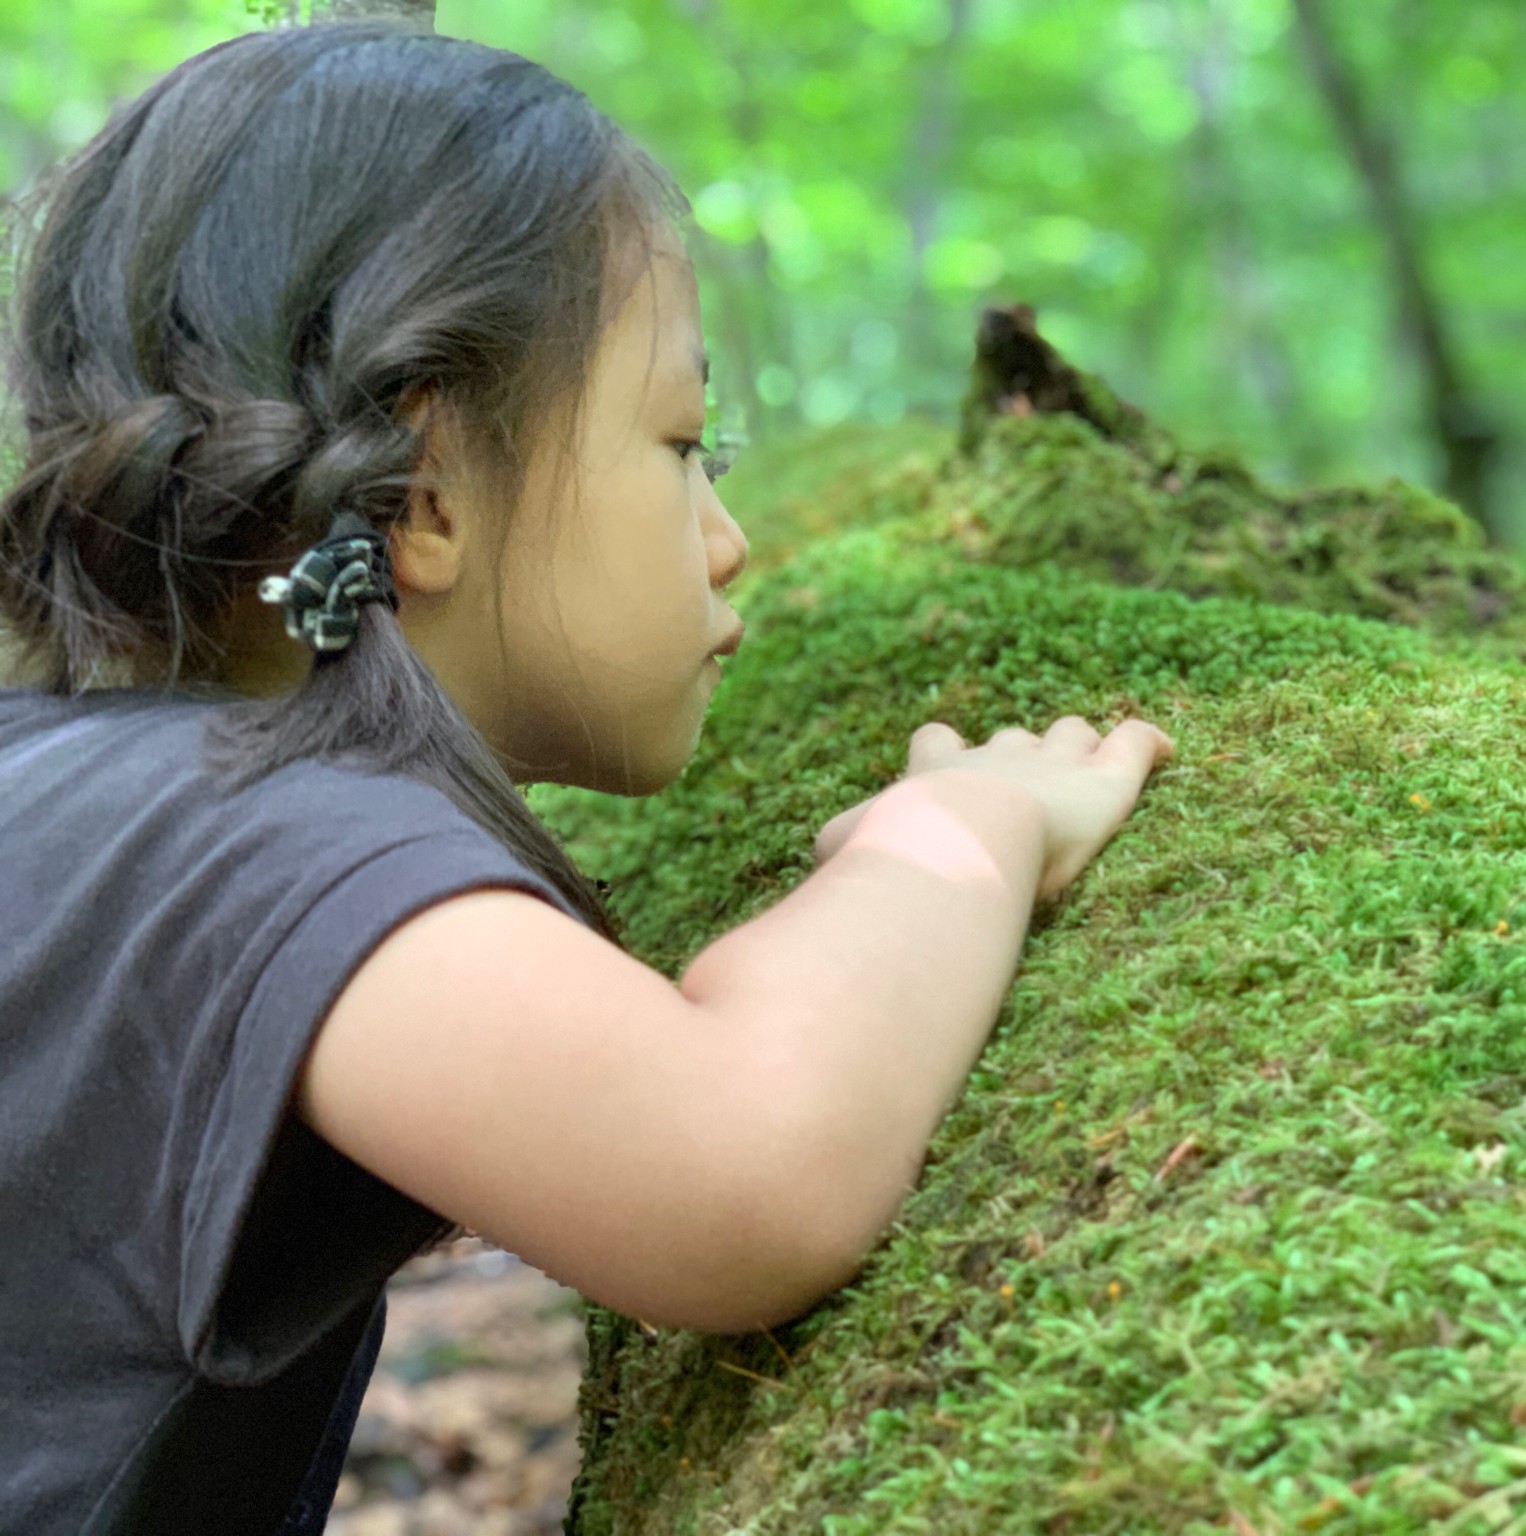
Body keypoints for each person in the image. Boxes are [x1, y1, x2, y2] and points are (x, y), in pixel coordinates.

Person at [0, 18, 1173, 1534]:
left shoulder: (97, 794)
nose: (729, 538)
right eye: (684, 441)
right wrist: (963, 828)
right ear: (425, 490)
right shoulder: (255, 839)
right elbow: (744, 1172)